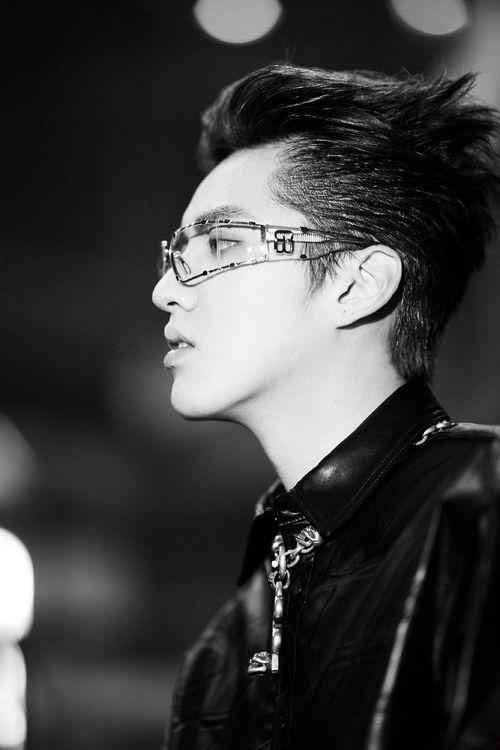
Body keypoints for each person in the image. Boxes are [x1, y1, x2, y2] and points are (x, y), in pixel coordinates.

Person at [152, 64, 500, 750]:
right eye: (174, 254)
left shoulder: (481, 514)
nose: (166, 288)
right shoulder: (222, 654)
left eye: (219, 244)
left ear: (357, 282)